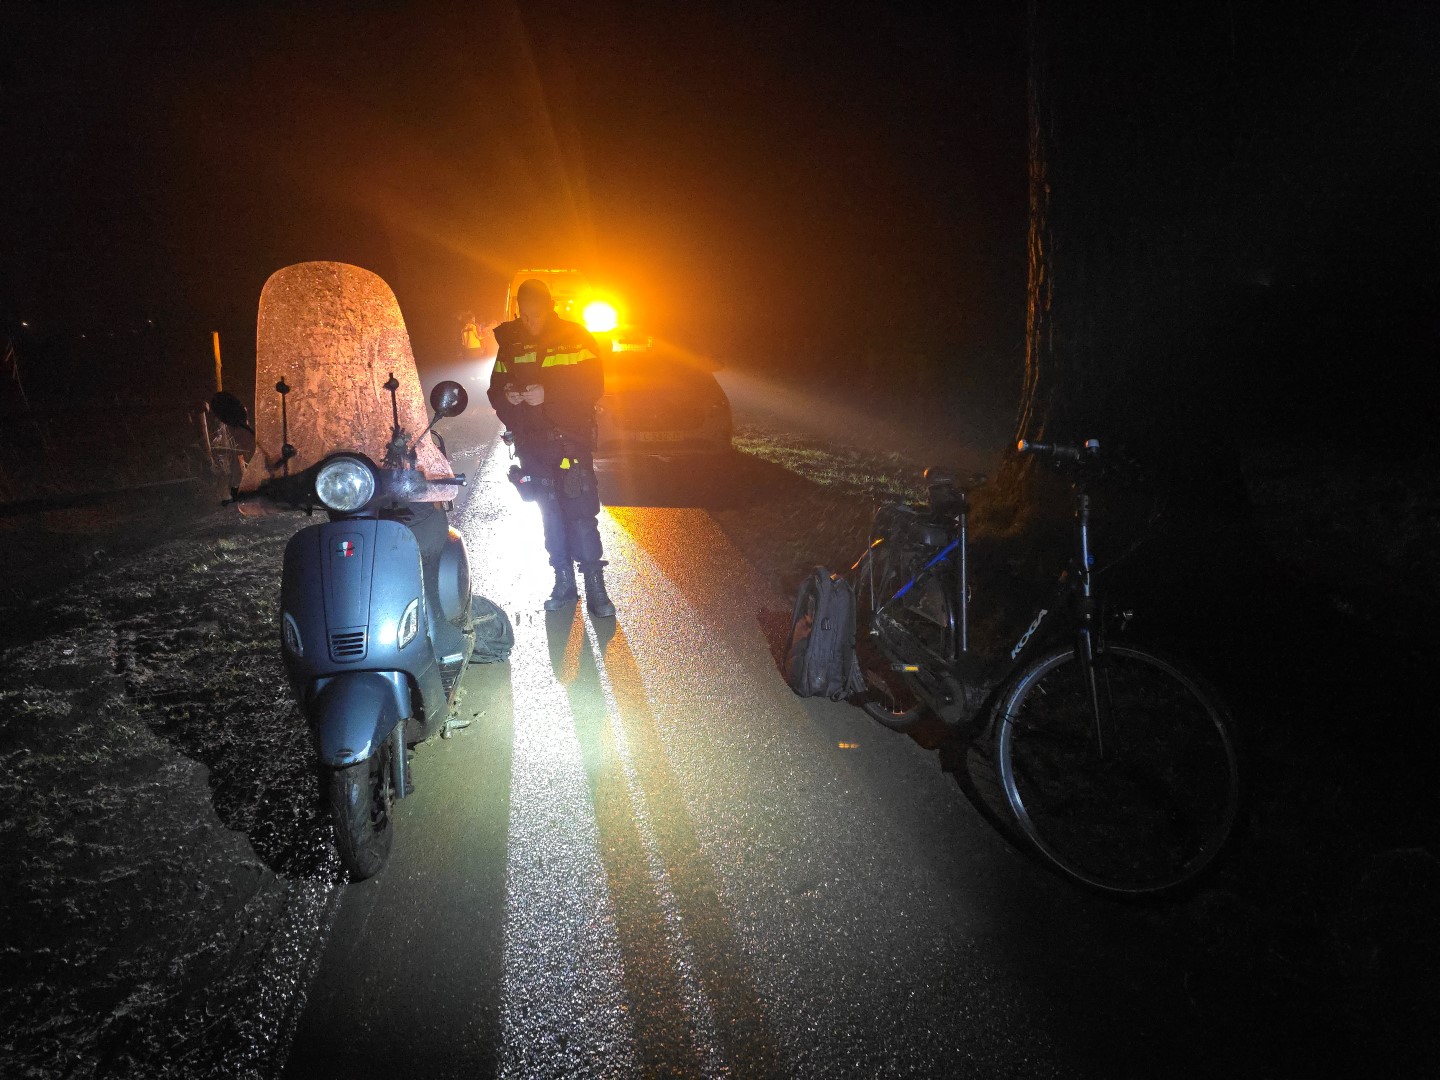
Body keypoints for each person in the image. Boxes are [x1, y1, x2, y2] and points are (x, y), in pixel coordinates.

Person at [487, 278, 615, 617]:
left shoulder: (575, 337)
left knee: (580, 514)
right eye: (524, 314)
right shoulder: (511, 343)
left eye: (535, 312)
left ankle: (596, 588)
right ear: (518, 309)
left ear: (548, 306)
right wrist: (509, 397)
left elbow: (593, 384)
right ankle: (563, 583)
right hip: (532, 444)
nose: (530, 320)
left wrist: (550, 395)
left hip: (568, 440)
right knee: (550, 516)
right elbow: (496, 388)